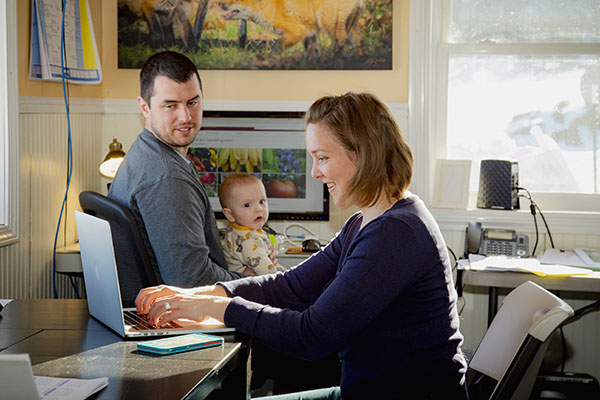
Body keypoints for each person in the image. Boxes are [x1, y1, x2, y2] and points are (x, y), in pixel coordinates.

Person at [135, 92, 469, 399]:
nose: (315, 172)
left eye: (322, 157)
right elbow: (290, 286)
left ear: (364, 154)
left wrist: (216, 309)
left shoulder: (396, 234)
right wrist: (200, 295)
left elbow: (311, 334)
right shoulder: (366, 221)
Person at [108, 51, 246, 287]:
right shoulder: (167, 178)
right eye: (170, 105)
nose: (186, 116)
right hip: (183, 315)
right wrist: (252, 281)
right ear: (145, 107)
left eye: (193, 102)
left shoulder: (145, 152)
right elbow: (192, 282)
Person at [218, 172, 286, 275]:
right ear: (230, 214)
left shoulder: (238, 230)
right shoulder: (248, 241)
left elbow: (270, 241)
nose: (258, 209)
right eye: (247, 205)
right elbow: (269, 274)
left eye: (262, 201)